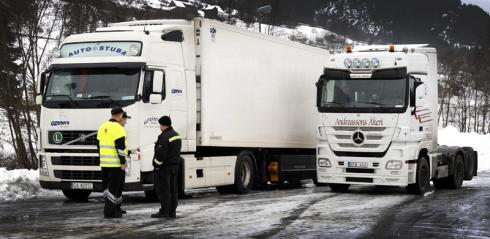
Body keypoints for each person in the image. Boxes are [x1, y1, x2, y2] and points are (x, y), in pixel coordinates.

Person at [97, 107, 129, 218]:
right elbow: (120, 147)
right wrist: (122, 162)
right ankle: (110, 212)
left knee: (106, 188)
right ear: (120, 115)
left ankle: (114, 209)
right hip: (115, 164)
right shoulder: (118, 128)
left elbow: (98, 146)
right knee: (114, 189)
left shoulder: (102, 126)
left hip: (104, 164)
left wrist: (101, 159)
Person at [151, 116, 182, 219]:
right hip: (175, 166)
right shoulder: (176, 135)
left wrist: (156, 165)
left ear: (163, 125)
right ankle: (172, 212)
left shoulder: (163, 137)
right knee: (173, 189)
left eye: (160, 124)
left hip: (165, 168)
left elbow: (161, 155)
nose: (159, 126)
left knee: (164, 190)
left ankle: (164, 212)